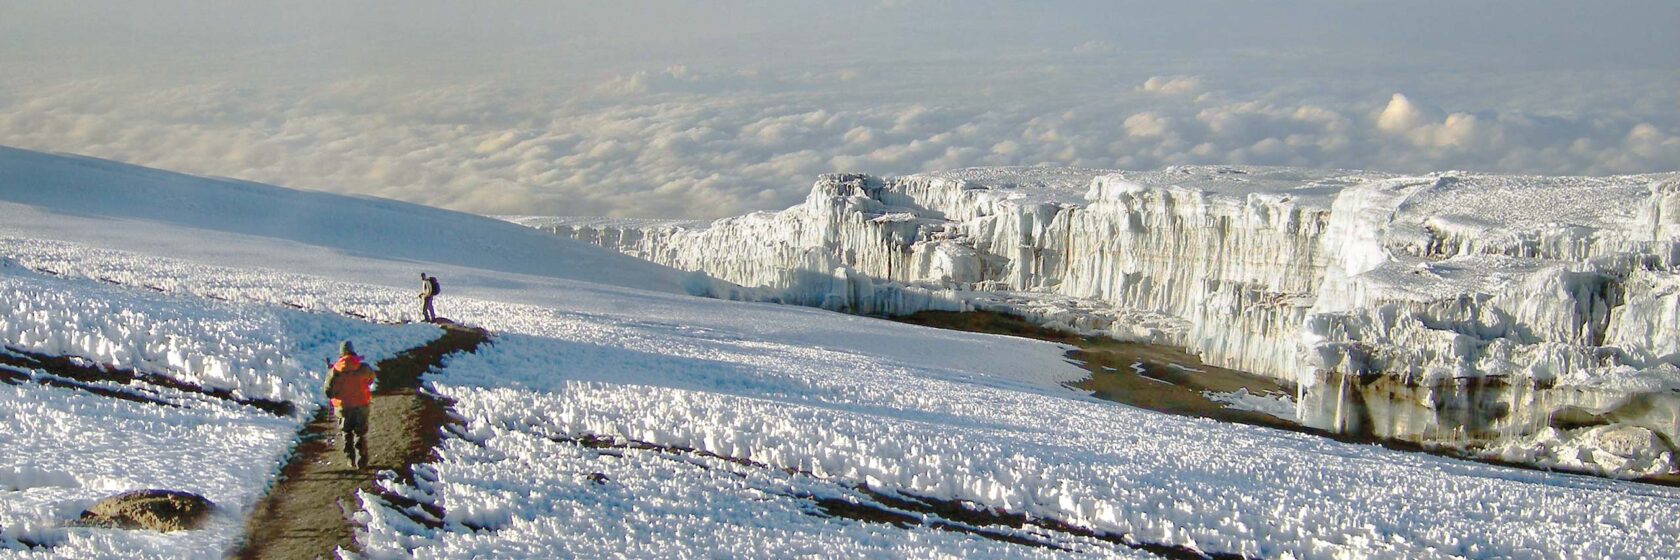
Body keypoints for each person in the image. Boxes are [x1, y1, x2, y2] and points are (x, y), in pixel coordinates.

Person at [323, 340, 376, 469]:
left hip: (343, 408)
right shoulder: (363, 367)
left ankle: (350, 459)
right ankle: (361, 460)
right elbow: (371, 379)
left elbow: (328, 391)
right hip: (361, 406)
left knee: (346, 433)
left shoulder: (335, 371)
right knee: (360, 433)